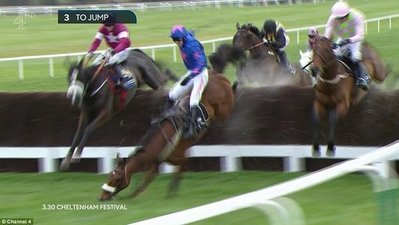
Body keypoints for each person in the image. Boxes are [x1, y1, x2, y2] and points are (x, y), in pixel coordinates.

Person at [166, 25, 209, 137]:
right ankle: (166, 116)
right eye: (174, 40)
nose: (176, 42)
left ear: (183, 38)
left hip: (200, 74)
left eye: (178, 39)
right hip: (191, 72)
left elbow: (202, 63)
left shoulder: (193, 45)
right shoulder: (185, 38)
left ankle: (196, 125)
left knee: (193, 101)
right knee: (172, 94)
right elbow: (189, 33)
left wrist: (191, 77)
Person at [324, 0, 371, 91]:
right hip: (342, 38)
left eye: (343, 17)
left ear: (347, 14)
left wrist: (349, 40)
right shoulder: (332, 19)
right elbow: (328, 33)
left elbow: (360, 35)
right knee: (333, 54)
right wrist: (328, 42)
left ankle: (362, 77)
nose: (341, 20)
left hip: (354, 39)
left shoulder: (357, 16)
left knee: (354, 56)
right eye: (338, 18)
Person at [87, 15, 135, 90]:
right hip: (111, 50)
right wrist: (90, 51)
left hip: (122, 50)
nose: (107, 27)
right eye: (106, 25)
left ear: (114, 24)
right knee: (95, 63)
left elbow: (125, 43)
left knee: (111, 62)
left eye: (109, 25)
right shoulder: (103, 28)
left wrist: (114, 51)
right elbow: (96, 41)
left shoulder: (121, 28)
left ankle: (124, 78)